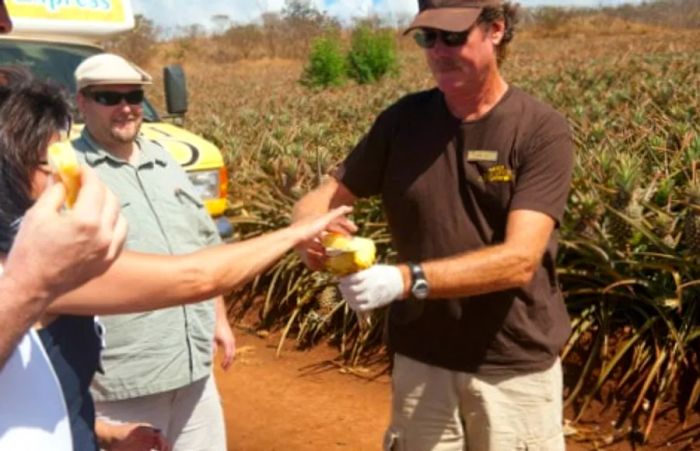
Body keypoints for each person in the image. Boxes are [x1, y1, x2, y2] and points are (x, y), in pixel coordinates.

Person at [0, 68, 351, 450]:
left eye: (134, 96)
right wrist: (295, 233)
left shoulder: (164, 158)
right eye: (43, 162)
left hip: (186, 367)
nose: (61, 174)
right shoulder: (34, 266)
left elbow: (38, 400)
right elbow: (195, 276)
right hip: (134, 375)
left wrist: (101, 431)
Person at [293, 1, 574, 450]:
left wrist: (405, 280)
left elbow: (520, 260)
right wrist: (307, 231)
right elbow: (324, 197)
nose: (438, 51)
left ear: (496, 30)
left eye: (454, 36)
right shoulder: (403, 121)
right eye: (428, 38)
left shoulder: (540, 130)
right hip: (421, 360)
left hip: (511, 367)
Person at [71, 52, 235, 451]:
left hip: (194, 366)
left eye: (133, 96)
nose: (125, 107)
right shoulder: (68, 173)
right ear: (81, 102)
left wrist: (219, 319)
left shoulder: (167, 160)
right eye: (108, 98)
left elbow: (204, 242)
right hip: (125, 379)